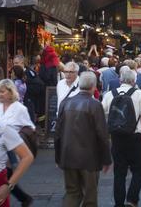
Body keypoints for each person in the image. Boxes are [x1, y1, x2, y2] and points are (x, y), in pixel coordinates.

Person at [55, 72, 112, 206]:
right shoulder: (95, 105)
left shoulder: (65, 103)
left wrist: (58, 157)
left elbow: (57, 133)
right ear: (93, 86)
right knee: (90, 196)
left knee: (72, 192)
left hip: (67, 155)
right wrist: (107, 159)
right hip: (89, 158)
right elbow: (102, 135)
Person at [102, 67, 141, 207]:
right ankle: (132, 199)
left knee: (119, 172)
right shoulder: (140, 94)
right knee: (139, 170)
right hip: (135, 137)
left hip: (116, 138)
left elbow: (101, 112)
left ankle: (118, 203)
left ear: (120, 80)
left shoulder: (110, 94)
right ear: (134, 80)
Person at [0, 79, 35, 206]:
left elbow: (30, 128)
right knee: (4, 178)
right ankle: (24, 198)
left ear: (11, 92)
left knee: (4, 178)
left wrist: (17, 136)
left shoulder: (20, 109)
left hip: (12, 150)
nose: (0, 94)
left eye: (3, 92)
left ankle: (16, 198)